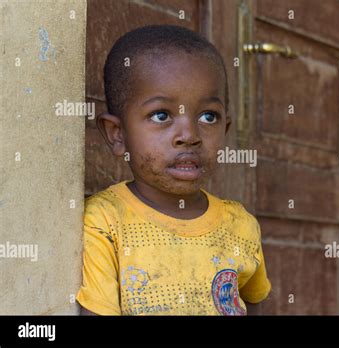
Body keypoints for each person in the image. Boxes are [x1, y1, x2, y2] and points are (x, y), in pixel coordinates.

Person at [76, 25, 271, 315]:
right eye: (162, 115)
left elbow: (255, 305)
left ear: (225, 129)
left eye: (208, 116)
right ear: (117, 134)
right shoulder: (104, 224)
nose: (189, 134)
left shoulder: (241, 225)